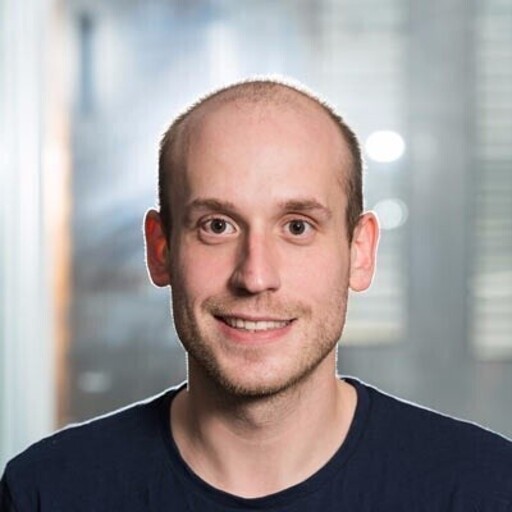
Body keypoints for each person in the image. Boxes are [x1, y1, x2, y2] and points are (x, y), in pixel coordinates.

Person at [1, 78, 511, 511]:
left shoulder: (485, 490)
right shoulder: (48, 493)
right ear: (161, 249)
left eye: (297, 226)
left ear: (360, 252)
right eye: (217, 225)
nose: (255, 275)